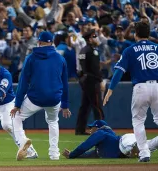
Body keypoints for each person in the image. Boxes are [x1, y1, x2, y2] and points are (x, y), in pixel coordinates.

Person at [10, 31, 71, 161]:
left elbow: (23, 83)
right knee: (53, 122)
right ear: (52, 42)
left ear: (39, 42)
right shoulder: (60, 58)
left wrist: (17, 104)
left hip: (35, 98)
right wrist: (65, 105)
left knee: (16, 117)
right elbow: (65, 83)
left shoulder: (31, 57)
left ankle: (23, 142)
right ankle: (54, 154)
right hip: (54, 99)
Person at [103, 21, 158, 162]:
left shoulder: (130, 50)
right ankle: (148, 147)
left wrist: (110, 90)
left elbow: (118, 72)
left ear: (135, 34)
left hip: (140, 88)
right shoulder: (157, 48)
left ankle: (145, 152)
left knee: (138, 121)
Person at [62, 120, 158, 159]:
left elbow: (85, 146)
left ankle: (134, 148)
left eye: (92, 127)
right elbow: (89, 154)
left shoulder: (101, 133)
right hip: (124, 146)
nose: (90, 130)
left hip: (124, 141)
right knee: (150, 145)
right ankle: (136, 148)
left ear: (98, 128)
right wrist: (72, 155)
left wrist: (72, 155)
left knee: (132, 146)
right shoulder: (101, 147)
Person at [75, 29, 105, 135]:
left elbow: (81, 68)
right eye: (94, 36)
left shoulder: (83, 50)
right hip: (92, 81)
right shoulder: (92, 51)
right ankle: (102, 129)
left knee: (85, 106)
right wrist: (101, 80)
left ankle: (80, 129)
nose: (96, 38)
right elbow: (95, 68)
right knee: (97, 106)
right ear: (90, 39)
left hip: (84, 79)